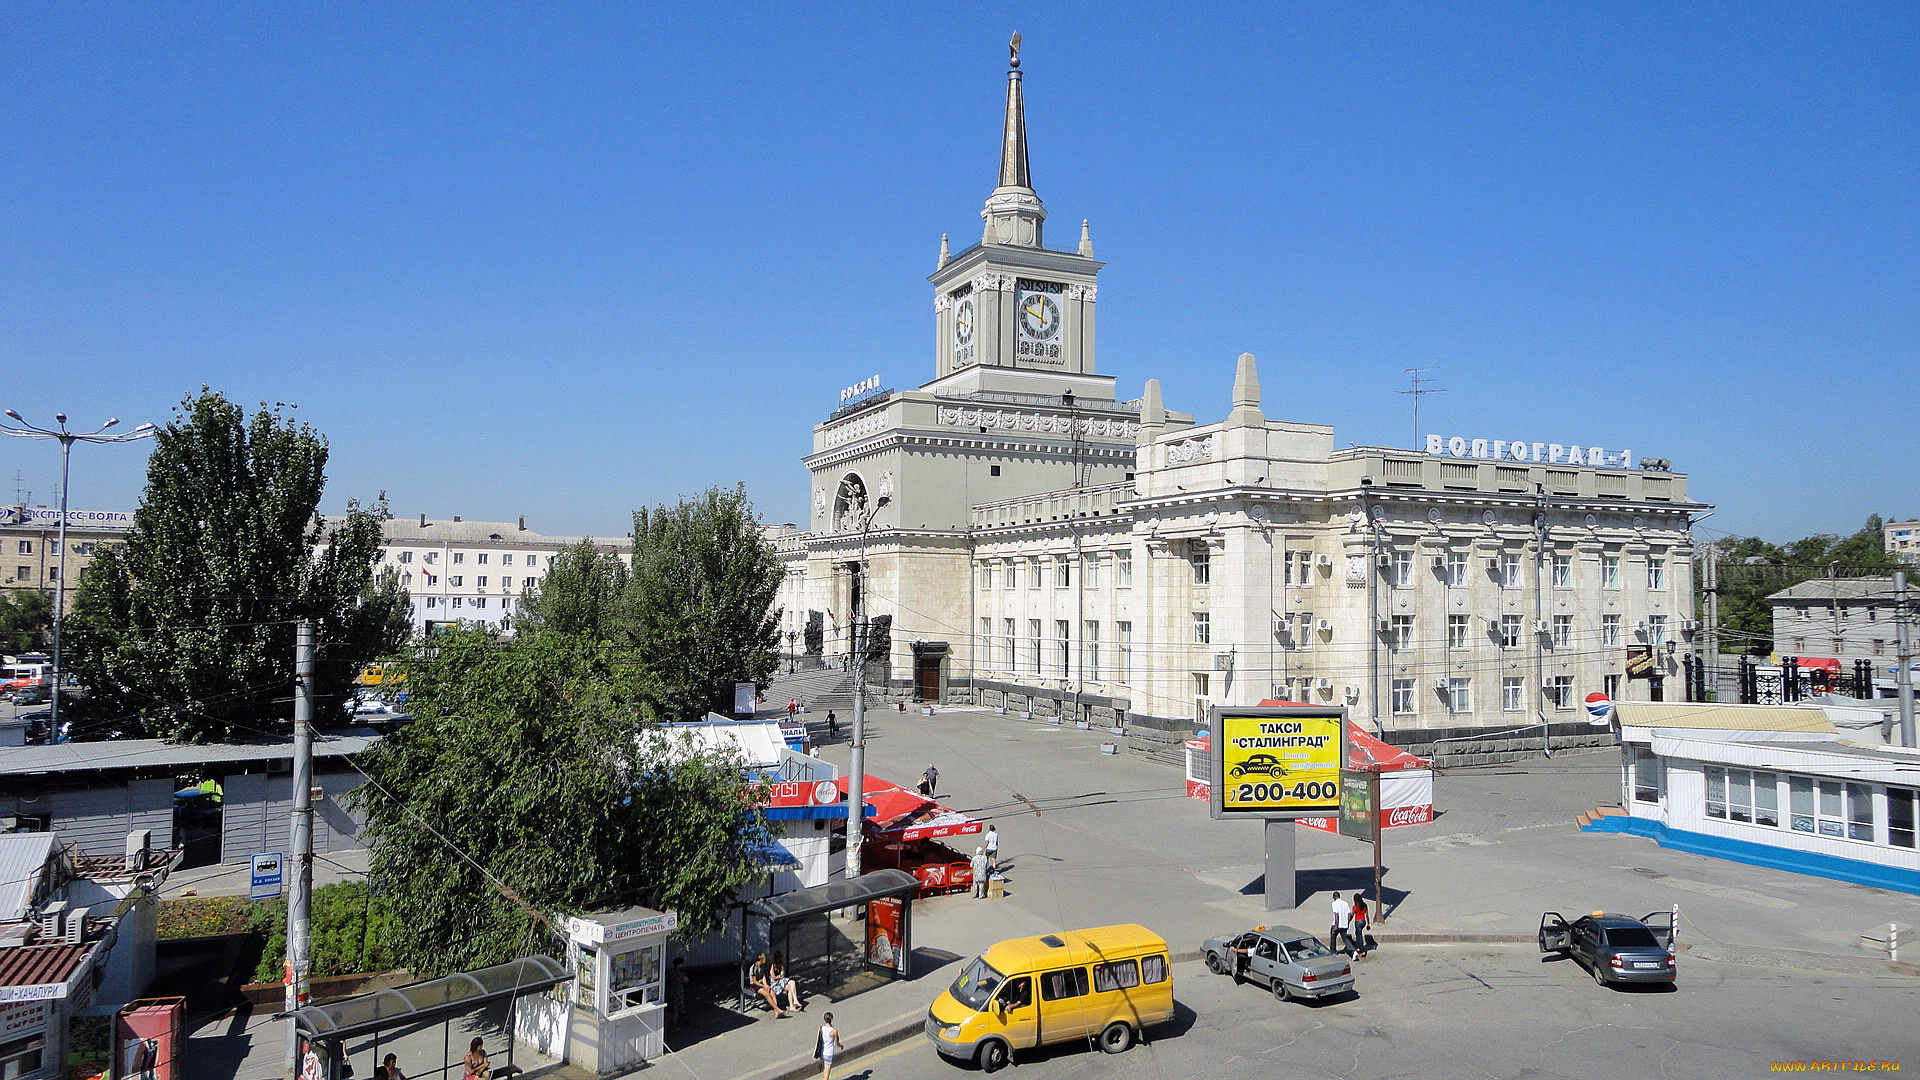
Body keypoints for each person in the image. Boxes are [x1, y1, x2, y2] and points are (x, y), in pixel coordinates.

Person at [748, 951, 789, 1017]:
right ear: (761, 959)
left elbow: (763, 977)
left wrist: (766, 985)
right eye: (764, 958)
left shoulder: (761, 966)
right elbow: (754, 981)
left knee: (772, 992)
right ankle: (779, 1010)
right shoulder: (754, 967)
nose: (765, 959)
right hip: (755, 985)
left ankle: (776, 1012)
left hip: (761, 984)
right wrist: (763, 986)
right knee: (767, 994)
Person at [817, 1011, 843, 1080]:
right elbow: (837, 1043)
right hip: (829, 1053)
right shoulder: (834, 1031)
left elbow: (818, 1041)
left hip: (822, 1052)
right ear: (831, 1019)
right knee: (827, 1073)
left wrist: (815, 1053)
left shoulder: (821, 1028)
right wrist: (841, 1046)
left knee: (825, 1071)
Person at [665, 957, 687, 1030]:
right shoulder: (681, 973)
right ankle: (673, 1025)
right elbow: (686, 980)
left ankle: (666, 1026)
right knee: (675, 1010)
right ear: (680, 964)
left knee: (668, 1009)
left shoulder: (670, 971)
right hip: (678, 992)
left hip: (670, 991)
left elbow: (666, 979)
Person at [1329, 892, 1353, 956]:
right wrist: (1347, 923)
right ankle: (1352, 950)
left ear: (1334, 897)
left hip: (1337, 924)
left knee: (1333, 937)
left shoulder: (1334, 903)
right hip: (1344, 924)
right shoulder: (1345, 903)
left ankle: (1333, 951)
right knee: (1345, 938)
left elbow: (1336, 914)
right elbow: (1349, 914)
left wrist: (1336, 925)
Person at [1350, 894, 1370, 959]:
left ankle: (1361, 950)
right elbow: (1367, 915)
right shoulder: (1365, 905)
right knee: (1358, 933)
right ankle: (1358, 947)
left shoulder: (1355, 907)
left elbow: (1352, 915)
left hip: (1358, 922)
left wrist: (1348, 922)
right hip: (1363, 921)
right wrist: (1368, 924)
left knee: (1359, 936)